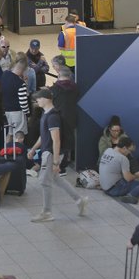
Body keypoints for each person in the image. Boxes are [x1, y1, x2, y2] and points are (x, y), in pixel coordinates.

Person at [27, 88, 88, 223]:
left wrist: (55, 162)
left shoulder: (53, 117)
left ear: (46, 99)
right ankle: (79, 200)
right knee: (55, 179)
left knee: (44, 181)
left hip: (51, 153)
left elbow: (56, 140)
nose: (37, 101)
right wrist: (33, 149)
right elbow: (43, 136)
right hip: (47, 151)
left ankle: (47, 212)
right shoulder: (46, 114)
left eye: (38, 98)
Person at [98, 136, 139, 204]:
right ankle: (130, 196)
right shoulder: (123, 158)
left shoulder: (108, 150)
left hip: (104, 188)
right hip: (114, 189)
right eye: (130, 150)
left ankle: (133, 192)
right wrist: (137, 175)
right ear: (124, 148)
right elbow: (128, 178)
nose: (129, 153)